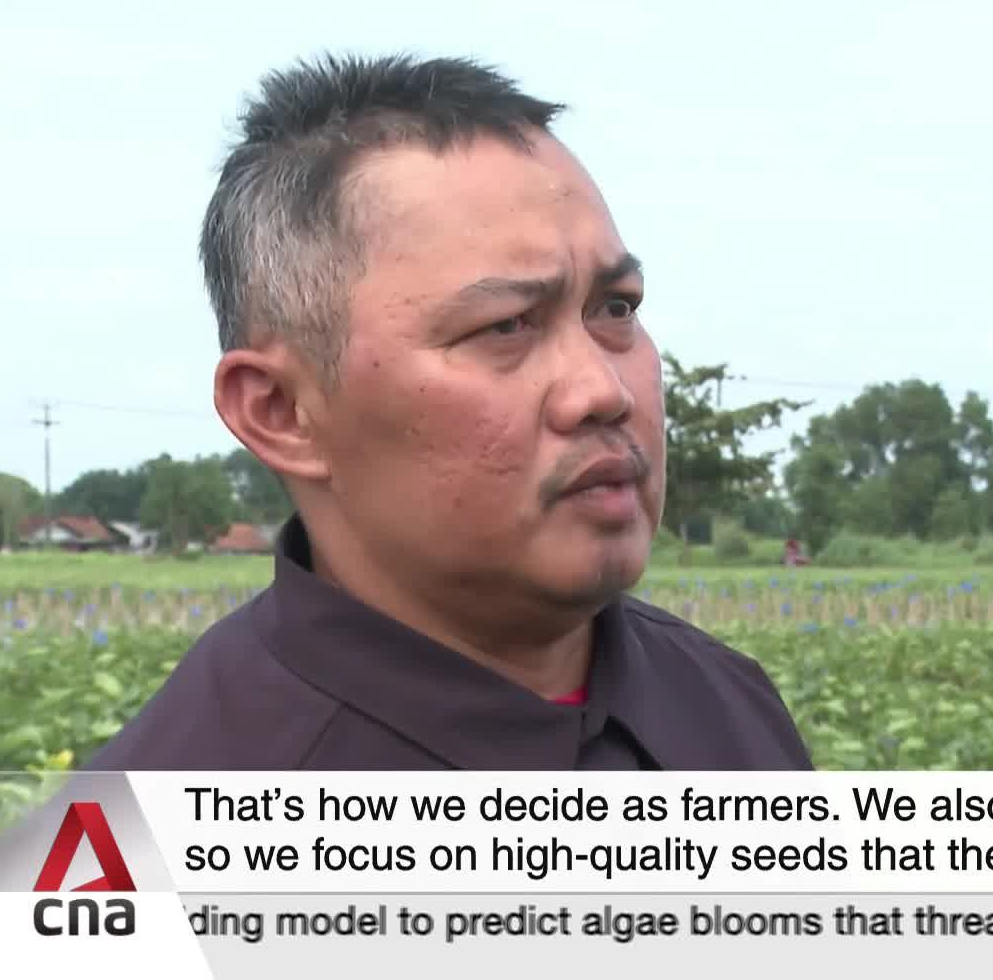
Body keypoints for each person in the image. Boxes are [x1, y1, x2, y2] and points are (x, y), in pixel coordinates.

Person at [81, 52, 813, 771]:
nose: (603, 390)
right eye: (506, 325)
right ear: (283, 413)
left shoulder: (727, 705)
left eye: (615, 308)